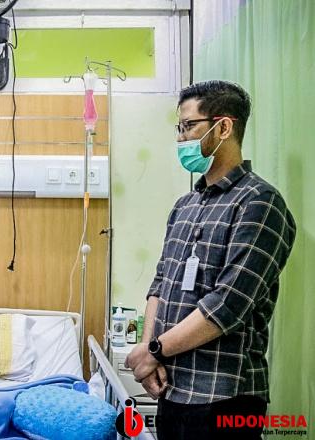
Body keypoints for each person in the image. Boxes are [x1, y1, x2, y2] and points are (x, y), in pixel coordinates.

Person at [125, 81, 296, 439]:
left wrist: (154, 351)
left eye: (189, 126)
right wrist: (150, 352)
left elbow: (227, 305)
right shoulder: (184, 206)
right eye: (179, 128)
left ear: (224, 127)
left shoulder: (259, 203)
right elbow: (161, 283)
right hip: (172, 388)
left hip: (225, 397)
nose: (180, 138)